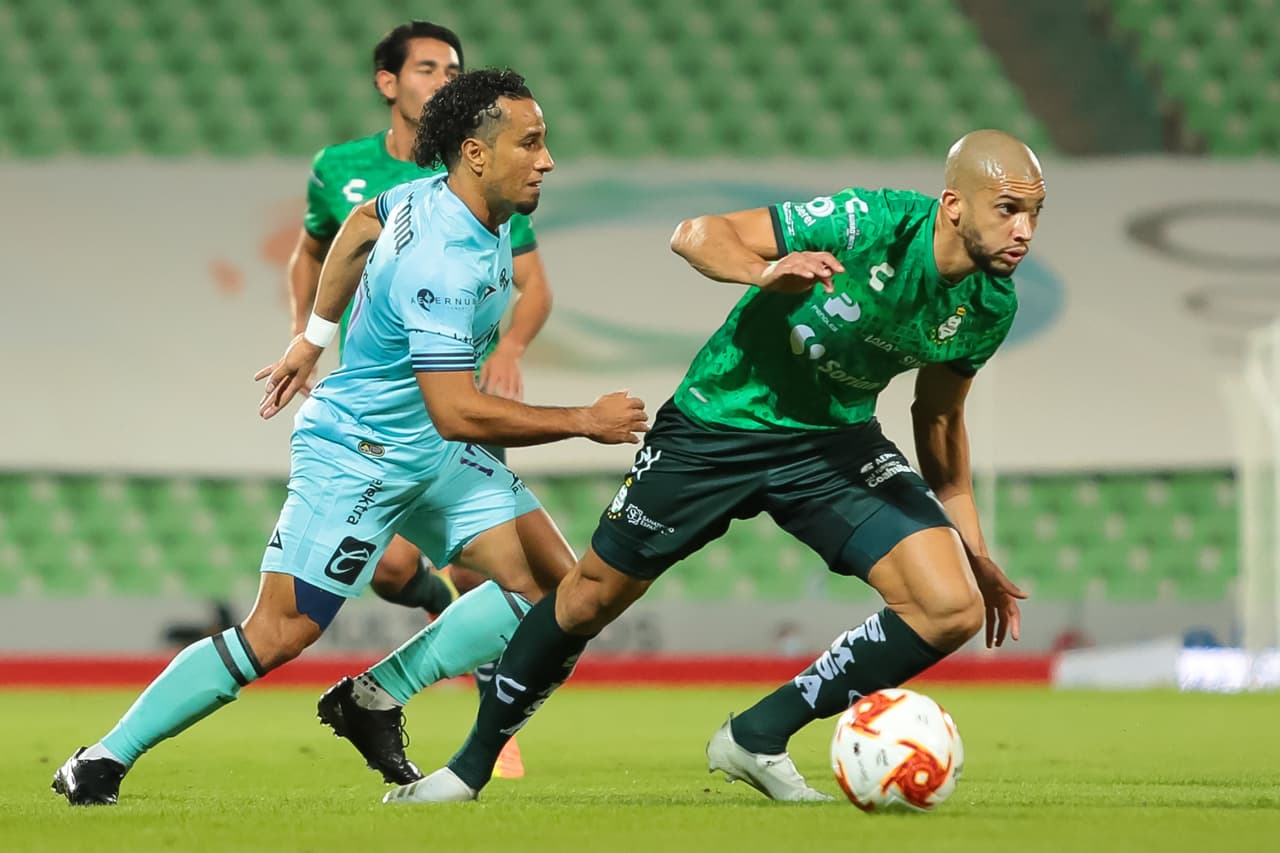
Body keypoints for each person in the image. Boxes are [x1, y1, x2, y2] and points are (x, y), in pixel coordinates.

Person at [382, 129, 1041, 805]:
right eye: (1009, 209)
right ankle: (468, 769)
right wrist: (762, 272)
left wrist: (973, 547)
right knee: (587, 597)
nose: (1024, 230)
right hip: (719, 422)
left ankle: (756, 735)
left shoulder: (990, 305)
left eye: (1034, 215)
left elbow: (937, 419)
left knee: (951, 605)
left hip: (832, 442)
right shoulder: (871, 222)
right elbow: (696, 233)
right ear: (955, 204)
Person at [51, 69, 647, 806]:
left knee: (562, 592)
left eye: (546, 141)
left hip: (431, 449)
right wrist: (585, 420)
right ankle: (101, 758)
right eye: (531, 142)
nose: (548, 160)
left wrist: (313, 337)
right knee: (277, 634)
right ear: (477, 153)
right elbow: (460, 410)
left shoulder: (432, 199)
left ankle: (374, 696)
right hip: (363, 453)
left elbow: (362, 221)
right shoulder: (445, 264)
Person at [291, 21, 555, 778]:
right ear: (389, 82)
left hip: (451, 398)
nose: (442, 78)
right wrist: (308, 334)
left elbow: (533, 284)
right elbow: (322, 247)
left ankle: (493, 720)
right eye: (428, 67)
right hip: (381, 409)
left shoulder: (495, 179)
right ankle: (418, 666)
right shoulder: (345, 170)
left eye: (453, 68)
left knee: (503, 572)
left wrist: (508, 348)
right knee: (394, 573)